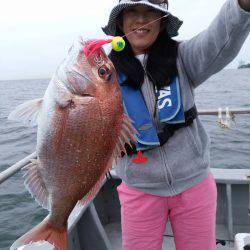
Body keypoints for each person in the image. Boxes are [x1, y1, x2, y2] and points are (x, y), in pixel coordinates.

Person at [102, 0, 250, 249]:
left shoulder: (183, 57)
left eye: (151, 12)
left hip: (194, 184)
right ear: (119, 21)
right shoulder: (103, 74)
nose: (141, 19)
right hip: (139, 188)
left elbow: (219, 40)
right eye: (133, 12)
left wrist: (241, 7)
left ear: (161, 21)